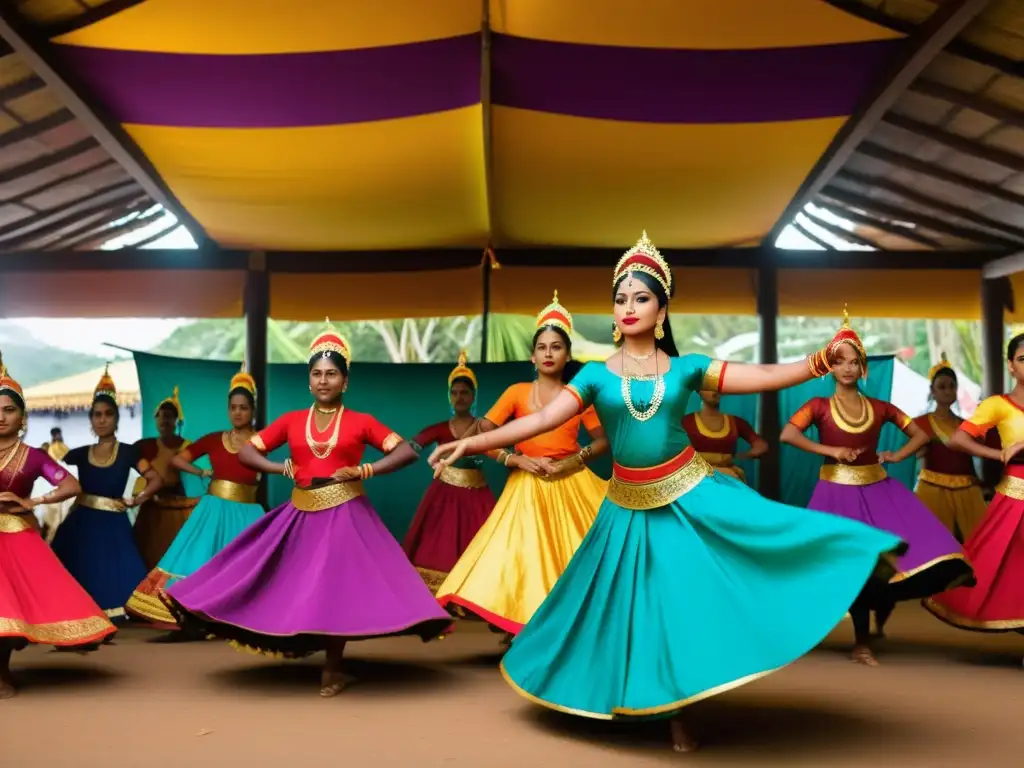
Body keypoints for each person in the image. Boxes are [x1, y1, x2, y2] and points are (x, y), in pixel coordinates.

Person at [429, 232, 905, 753]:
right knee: (615, 610)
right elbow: (541, 419)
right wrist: (471, 444)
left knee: (689, 598)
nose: (628, 307)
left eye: (640, 297)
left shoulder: (688, 369)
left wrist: (816, 361)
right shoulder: (592, 376)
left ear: (661, 310)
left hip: (689, 495)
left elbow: (765, 374)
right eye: (620, 297)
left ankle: (683, 709)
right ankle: (634, 698)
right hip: (625, 509)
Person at [163, 321, 452, 697]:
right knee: (283, 583)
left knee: (335, 590)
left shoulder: (361, 422)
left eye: (332, 374)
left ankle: (332, 669)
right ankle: (299, 646)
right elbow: (249, 451)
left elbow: (406, 450)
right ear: (308, 380)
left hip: (347, 514)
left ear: (345, 381)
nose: (323, 380)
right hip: (301, 513)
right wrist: (276, 466)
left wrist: (367, 469)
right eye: (316, 373)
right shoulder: (292, 421)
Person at [781, 312, 973, 663]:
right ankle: (858, 641)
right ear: (829, 367)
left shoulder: (880, 407)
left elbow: (918, 434)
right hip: (835, 492)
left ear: (863, 366)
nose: (848, 368)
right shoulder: (818, 407)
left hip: (878, 490)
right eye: (840, 362)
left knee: (897, 554)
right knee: (845, 562)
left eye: (855, 362)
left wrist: (897, 455)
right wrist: (831, 450)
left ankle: (872, 629)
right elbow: (787, 434)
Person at [434, 292, 609, 644]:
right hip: (525, 485)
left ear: (567, 355)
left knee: (575, 557)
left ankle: (567, 634)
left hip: (571, 483)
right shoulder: (516, 392)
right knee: (524, 558)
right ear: (532, 355)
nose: (548, 353)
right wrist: (515, 459)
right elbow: (483, 432)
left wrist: (570, 462)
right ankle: (524, 630)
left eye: (556, 347)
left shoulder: (578, 397)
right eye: (542, 347)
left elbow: (604, 443)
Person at [0, 354, 116, 698]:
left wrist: (33, 502)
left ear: (22, 417)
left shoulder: (33, 455)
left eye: (9, 410)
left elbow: (70, 485)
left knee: (8, 607)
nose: (1, 416)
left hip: (16, 535)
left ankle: (1, 673)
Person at [126, 368, 264, 635]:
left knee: (246, 569)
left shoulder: (262, 440)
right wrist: (202, 472)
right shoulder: (214, 439)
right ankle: (197, 618)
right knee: (198, 561)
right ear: (228, 409)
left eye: (244, 408)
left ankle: (237, 620)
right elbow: (178, 460)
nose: (238, 413)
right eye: (233, 407)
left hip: (247, 513)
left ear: (252, 410)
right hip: (213, 510)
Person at [923, 331, 1024, 648]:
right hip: (1016, 497)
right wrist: (1002, 454)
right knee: (1008, 570)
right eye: (1023, 359)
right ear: (1010, 366)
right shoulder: (999, 405)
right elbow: (957, 439)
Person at [51, 366, 163, 624]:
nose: (102, 420)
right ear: (91, 419)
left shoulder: (128, 453)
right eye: (97, 415)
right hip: (81, 522)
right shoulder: (77, 453)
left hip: (113, 523)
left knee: (121, 577)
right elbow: (50, 470)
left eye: (108, 414)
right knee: (73, 569)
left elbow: (155, 478)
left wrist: (138, 499)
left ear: (116, 419)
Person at [402, 351, 496, 593]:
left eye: (464, 392)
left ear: (473, 395)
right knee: (439, 545)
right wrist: (395, 451)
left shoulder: (483, 427)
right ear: (449, 396)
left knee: (482, 542)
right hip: (444, 496)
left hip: (477, 495)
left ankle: (473, 595)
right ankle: (442, 594)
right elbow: (414, 444)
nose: (459, 397)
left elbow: (499, 448)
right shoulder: (440, 429)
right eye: (454, 393)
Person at [913, 354, 989, 542]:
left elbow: (968, 460)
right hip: (933, 489)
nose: (947, 391)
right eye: (942, 387)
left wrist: (979, 483)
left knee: (979, 542)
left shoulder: (966, 425)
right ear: (933, 391)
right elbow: (919, 457)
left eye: (951, 386)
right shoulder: (922, 423)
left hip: (966, 489)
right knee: (932, 543)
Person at [132, 387, 199, 570]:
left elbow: (197, 474)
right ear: (155, 419)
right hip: (153, 502)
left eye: (168, 416)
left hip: (177, 501)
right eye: (160, 416)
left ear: (175, 420)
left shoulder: (186, 446)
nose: (164, 420)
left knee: (175, 549)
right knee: (148, 547)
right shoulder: (144, 446)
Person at [681, 389, 767, 482]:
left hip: (728, 477)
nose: (715, 392)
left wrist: (740, 457)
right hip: (696, 477)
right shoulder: (687, 422)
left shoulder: (735, 422)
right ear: (699, 391)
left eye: (718, 388)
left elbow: (760, 446)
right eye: (709, 388)